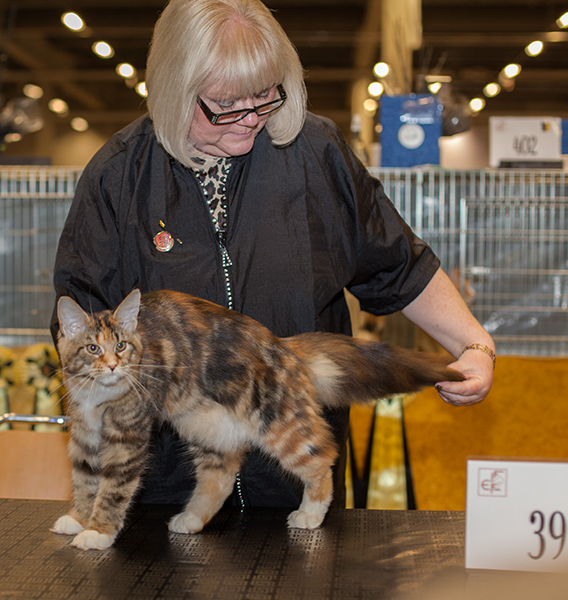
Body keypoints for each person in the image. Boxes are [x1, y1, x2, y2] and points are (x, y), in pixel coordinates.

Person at [52, 0, 495, 509]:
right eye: (225, 104)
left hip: (295, 478)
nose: (250, 120)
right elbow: (81, 331)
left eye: (264, 96)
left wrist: (474, 344)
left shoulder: (317, 153)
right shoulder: (118, 176)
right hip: (166, 490)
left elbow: (397, 264)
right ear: (175, 90)